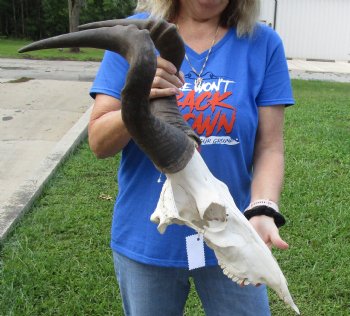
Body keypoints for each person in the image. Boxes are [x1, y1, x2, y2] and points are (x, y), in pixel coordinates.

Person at [89, 0, 294, 315]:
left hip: (229, 232)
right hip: (148, 237)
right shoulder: (136, 35)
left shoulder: (262, 43)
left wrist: (263, 209)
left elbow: (269, 146)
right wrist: (138, 96)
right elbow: (100, 143)